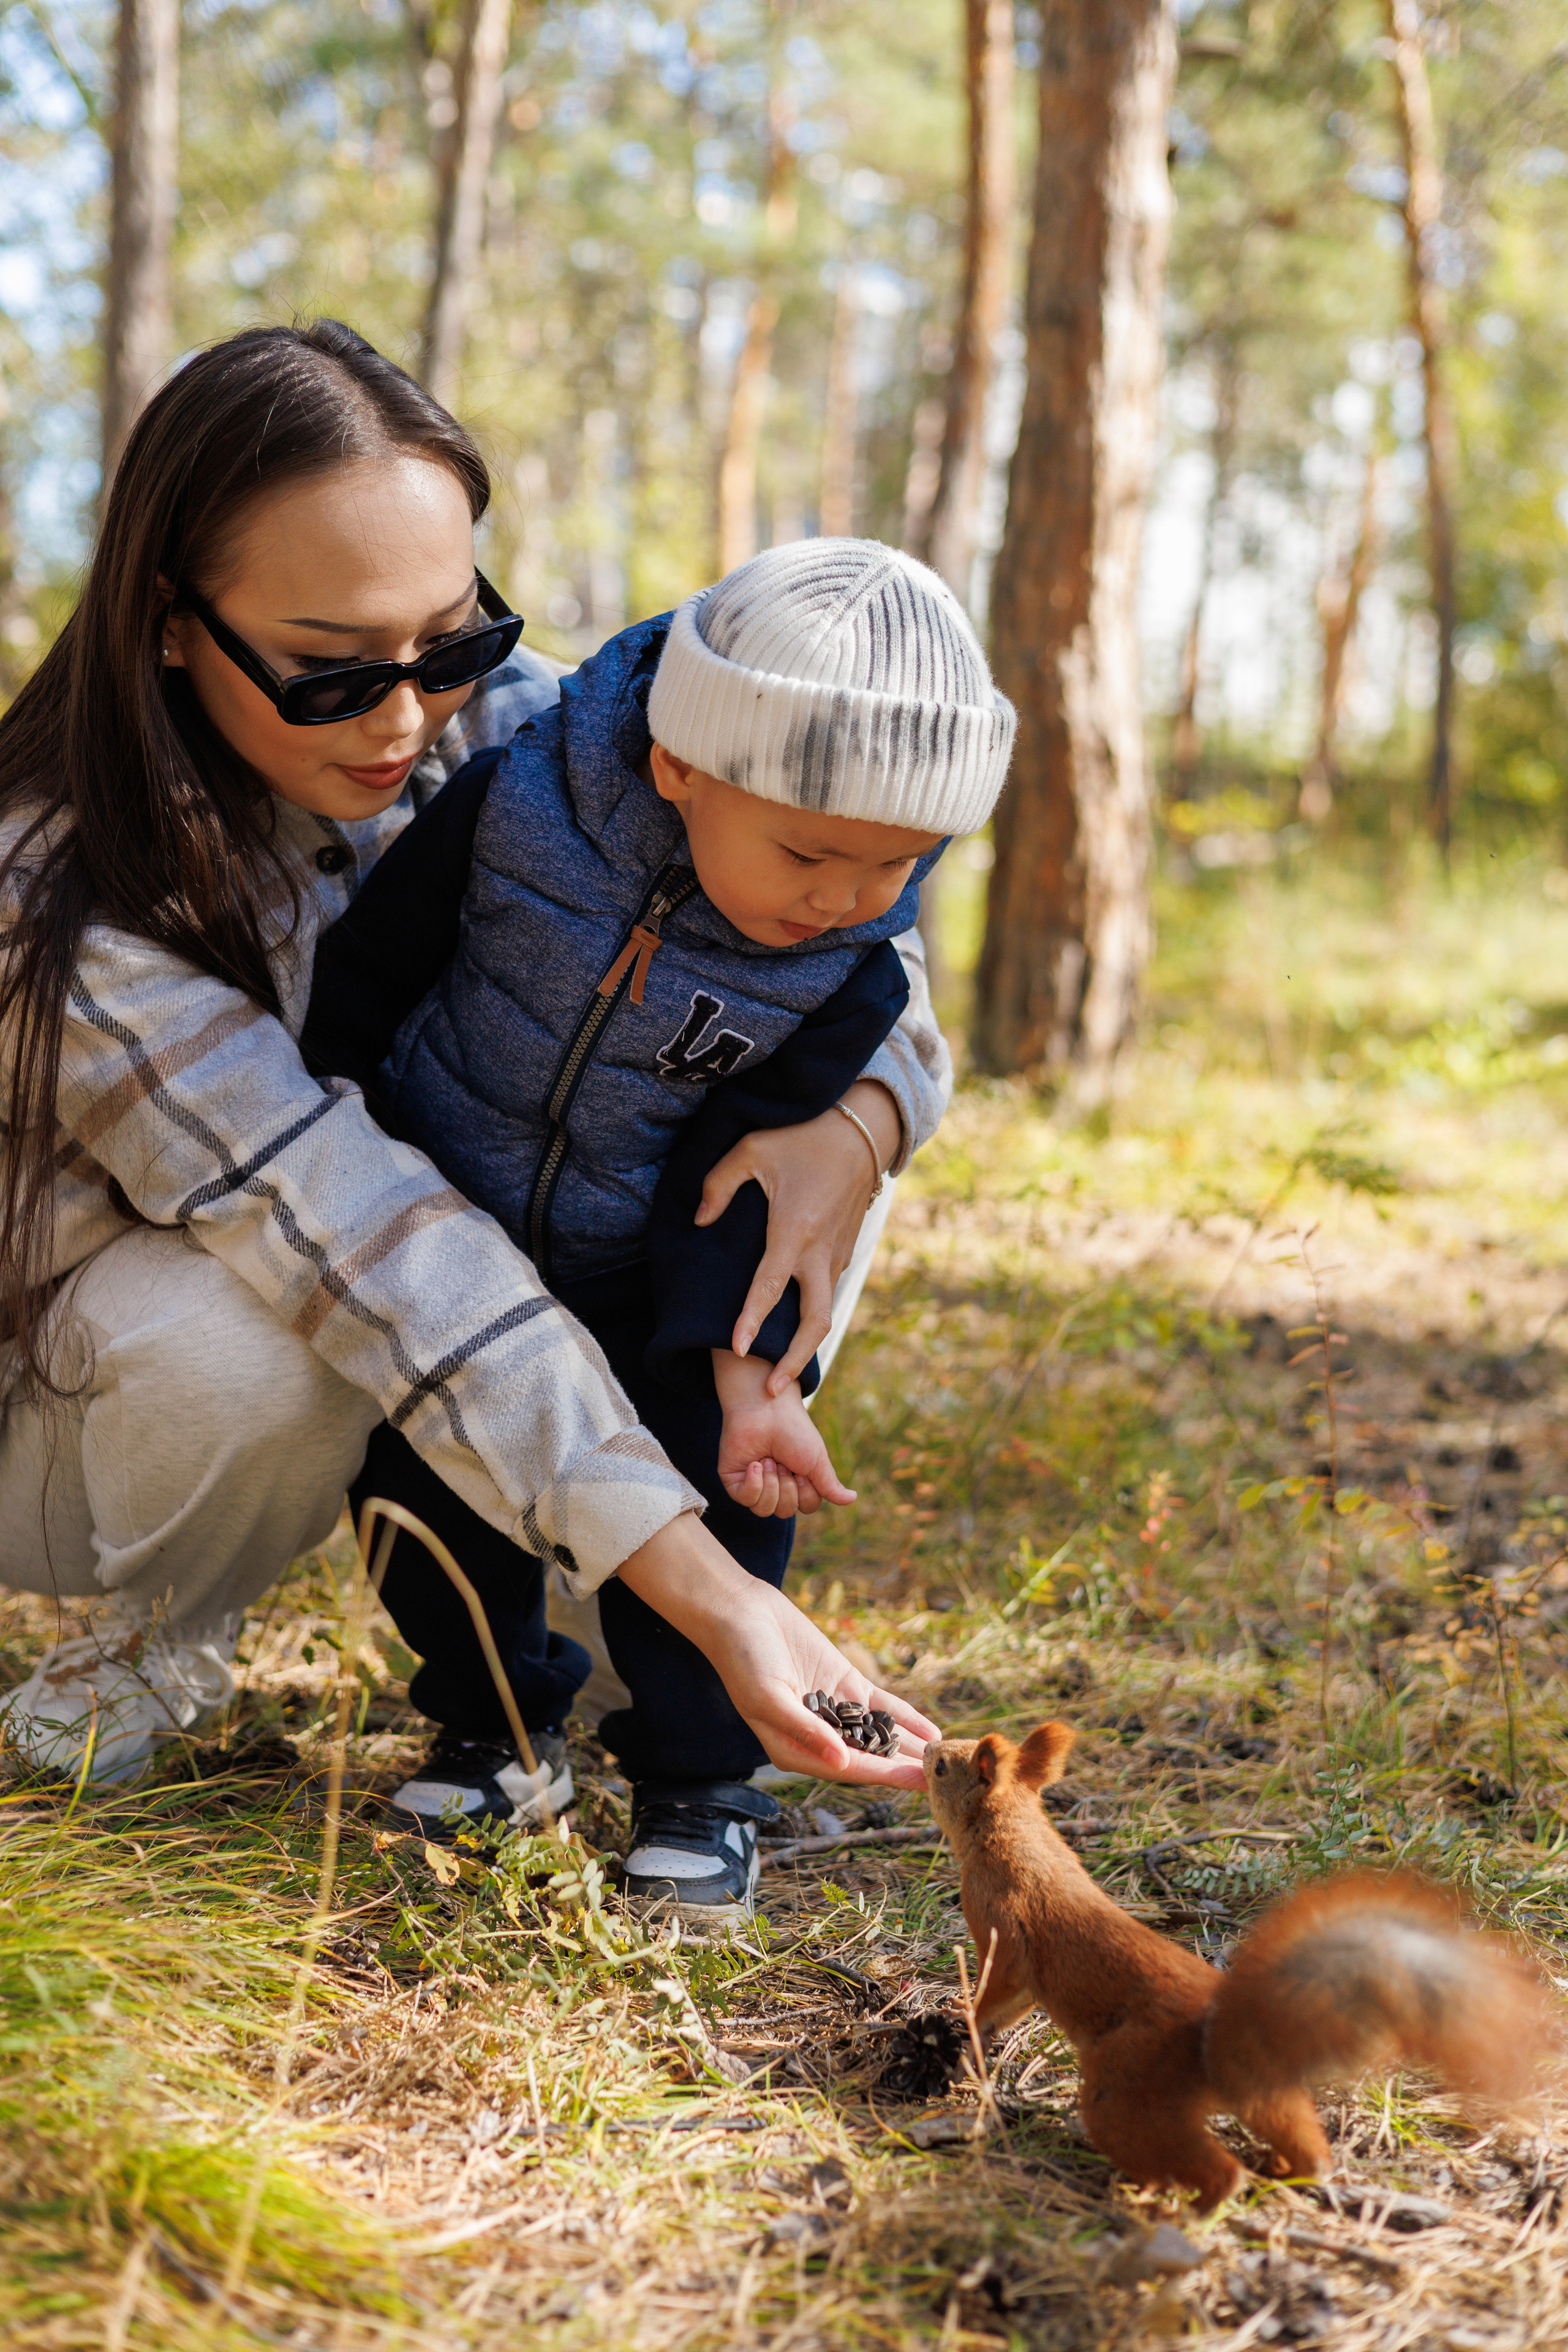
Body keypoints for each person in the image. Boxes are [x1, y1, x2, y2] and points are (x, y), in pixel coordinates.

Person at [0, 318, 943, 1824]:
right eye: (327, 673)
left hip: (404, 1293)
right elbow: (357, 1239)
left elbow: (817, 912)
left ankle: (575, 1625)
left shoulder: (522, 734)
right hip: (72, 1403)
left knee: (762, 1147)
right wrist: (713, 1594)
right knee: (262, 1346)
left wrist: (858, 1121)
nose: (402, 719)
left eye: (450, 638)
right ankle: (145, 1646)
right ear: (170, 621)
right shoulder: (55, 895)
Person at [303, 538, 1015, 1912]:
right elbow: (380, 959)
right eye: (809, 852)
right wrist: (344, 1115)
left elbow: (742, 1177)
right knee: (420, 1494)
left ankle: (699, 1785)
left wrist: (750, 1383)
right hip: (444, 1221)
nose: (842, 898)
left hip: (651, 1266)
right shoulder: (515, 805)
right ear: (683, 764)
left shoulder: (843, 975)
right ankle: (495, 1724)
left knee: (714, 1499)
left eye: (896, 866)